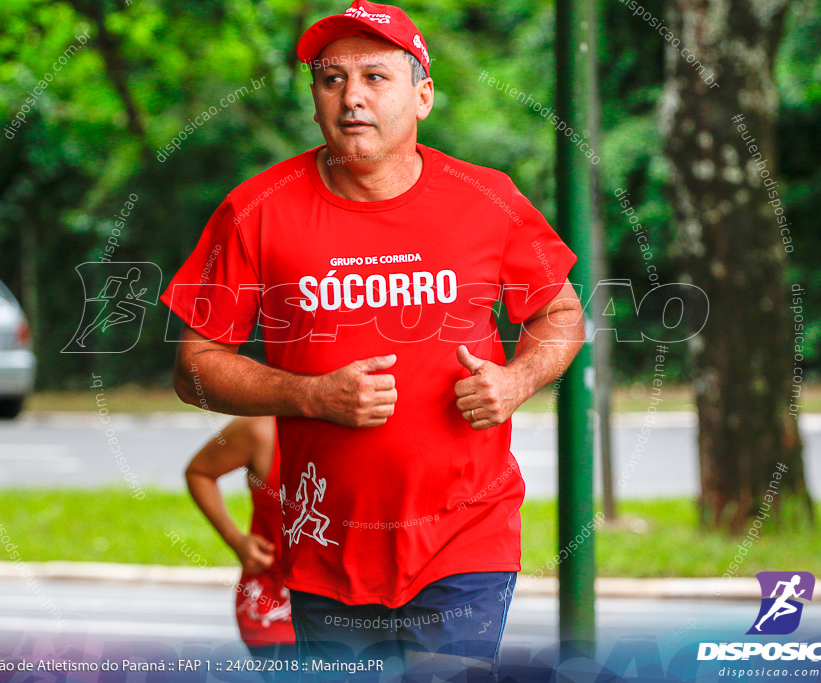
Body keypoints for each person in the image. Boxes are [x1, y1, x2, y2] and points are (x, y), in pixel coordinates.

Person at [161, 0, 585, 677]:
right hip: (325, 548)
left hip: (464, 539)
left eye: (374, 77)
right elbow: (194, 366)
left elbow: (562, 315)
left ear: (423, 96)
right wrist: (310, 395)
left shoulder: (487, 199)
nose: (351, 97)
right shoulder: (256, 210)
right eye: (331, 79)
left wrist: (516, 379)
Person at [185, 416, 296, 672]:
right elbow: (200, 472)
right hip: (276, 613)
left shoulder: (384, 423)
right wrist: (236, 540)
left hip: (371, 612)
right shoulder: (261, 429)